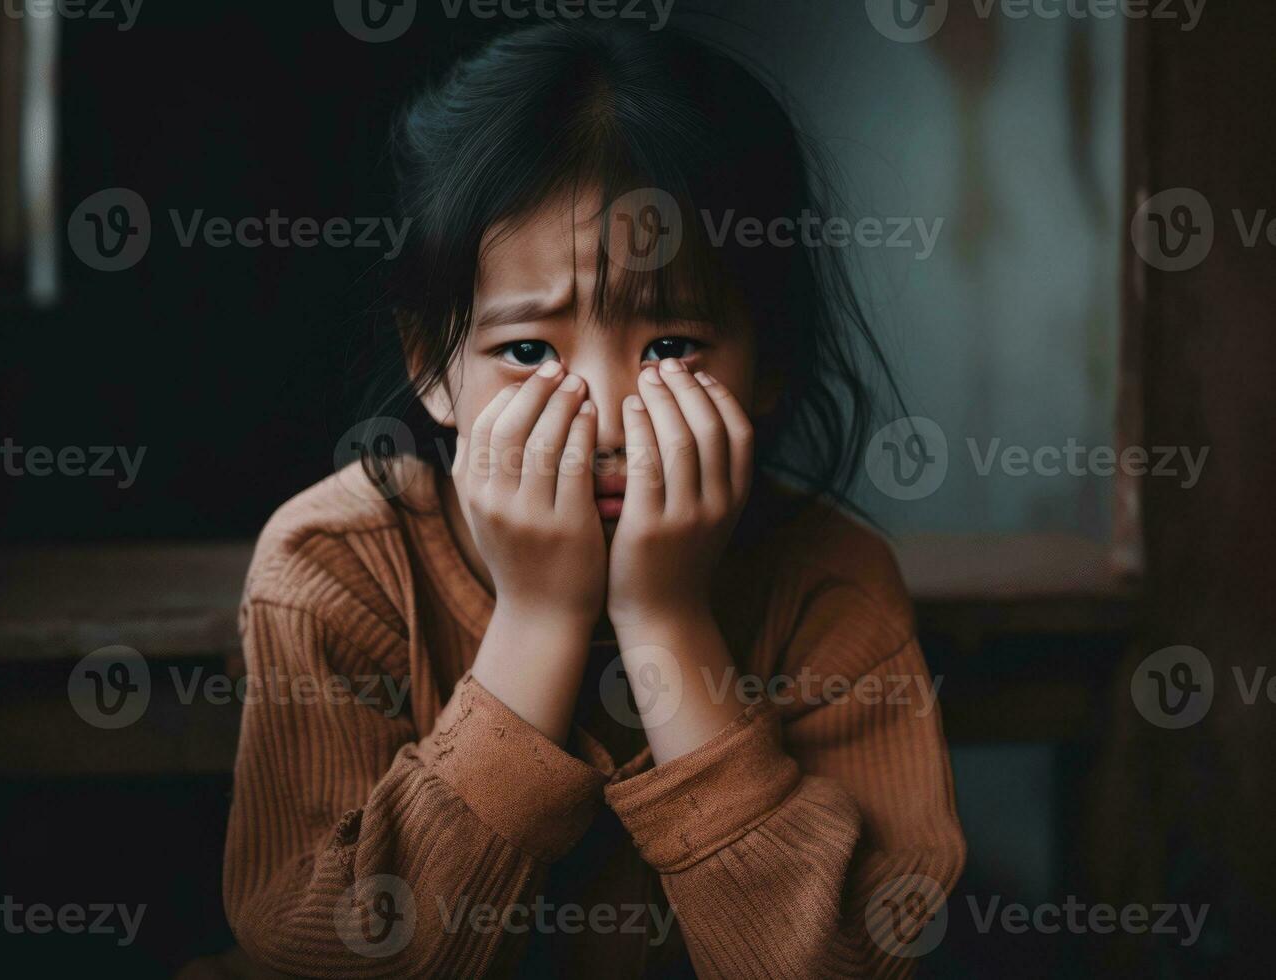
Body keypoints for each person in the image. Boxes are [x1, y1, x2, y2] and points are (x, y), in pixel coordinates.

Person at [223, 20, 965, 978]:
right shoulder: (333, 568)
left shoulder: (830, 588)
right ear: (432, 367)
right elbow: (313, 952)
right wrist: (537, 619)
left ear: (769, 360)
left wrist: (665, 619)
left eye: (670, 346)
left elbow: (851, 962)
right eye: (528, 351)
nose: (609, 417)